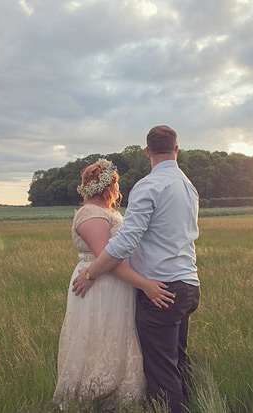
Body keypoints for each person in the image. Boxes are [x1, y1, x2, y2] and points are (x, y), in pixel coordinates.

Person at [73, 125, 200, 413]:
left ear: (147, 151)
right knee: (178, 363)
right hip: (188, 285)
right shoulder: (188, 186)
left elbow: (125, 243)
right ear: (176, 149)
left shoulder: (149, 185)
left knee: (161, 373)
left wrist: (92, 272)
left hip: (161, 289)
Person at [52, 158, 175, 409]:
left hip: (118, 283)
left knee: (119, 335)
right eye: (116, 186)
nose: (118, 191)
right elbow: (106, 259)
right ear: (109, 187)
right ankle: (93, 395)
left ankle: (121, 394)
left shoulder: (109, 212)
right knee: (100, 335)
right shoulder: (90, 214)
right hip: (100, 283)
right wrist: (145, 284)